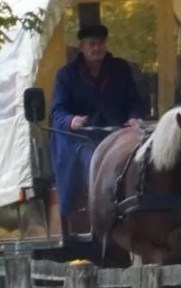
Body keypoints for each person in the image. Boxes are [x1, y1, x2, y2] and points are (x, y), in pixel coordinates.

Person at [49, 23, 147, 217]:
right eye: (92, 44)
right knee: (93, 159)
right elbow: (57, 112)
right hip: (83, 137)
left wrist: (134, 117)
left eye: (100, 43)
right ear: (82, 47)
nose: (96, 48)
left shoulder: (120, 69)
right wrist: (71, 121)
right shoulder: (66, 75)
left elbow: (135, 101)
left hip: (117, 133)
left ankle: (139, 204)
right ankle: (100, 208)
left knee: (139, 157)